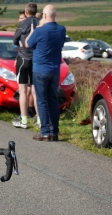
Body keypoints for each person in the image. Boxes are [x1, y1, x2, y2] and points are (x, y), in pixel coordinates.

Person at [25, 4, 66, 141]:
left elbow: (27, 44)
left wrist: (33, 30)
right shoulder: (61, 30)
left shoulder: (39, 31)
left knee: (42, 101)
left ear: (44, 15)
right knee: (53, 100)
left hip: (40, 69)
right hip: (55, 69)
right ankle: (54, 131)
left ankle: (44, 132)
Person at [12, 2, 39, 129]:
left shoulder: (23, 23)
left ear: (26, 12)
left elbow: (14, 39)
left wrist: (20, 43)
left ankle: (24, 120)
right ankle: (39, 120)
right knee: (35, 90)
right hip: (37, 59)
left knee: (22, 90)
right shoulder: (41, 23)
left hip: (23, 58)